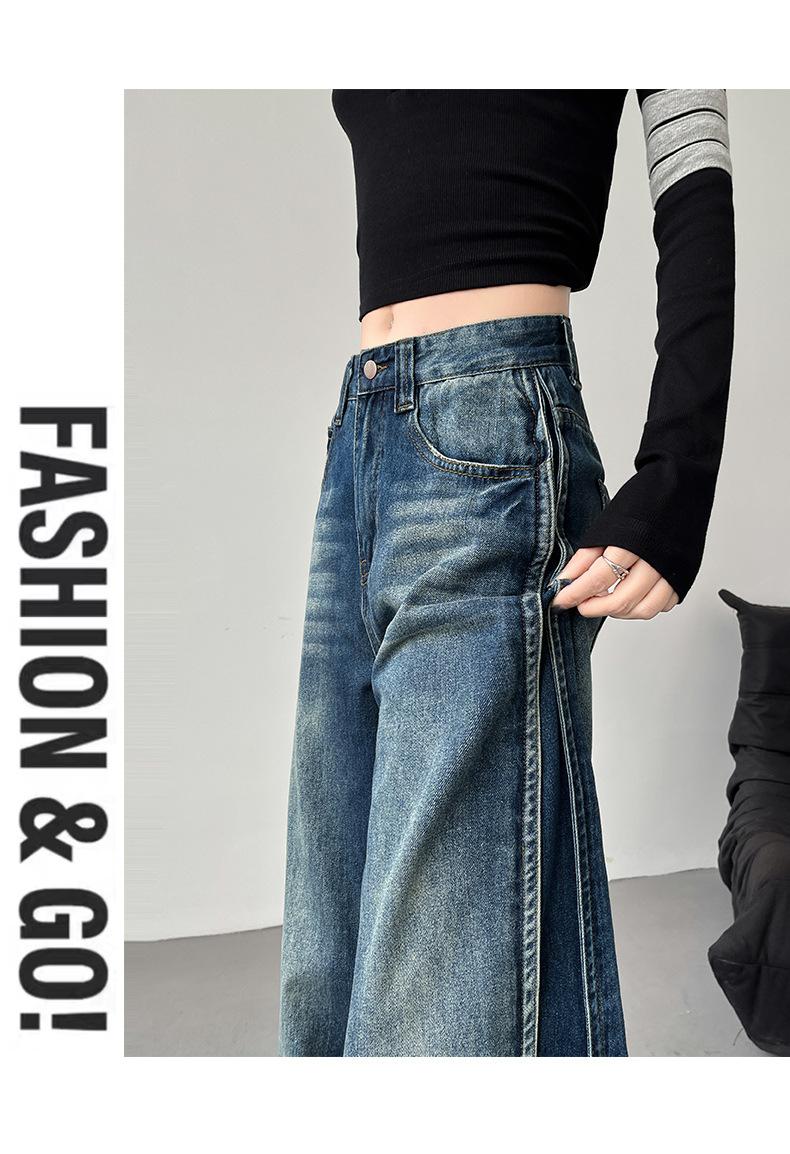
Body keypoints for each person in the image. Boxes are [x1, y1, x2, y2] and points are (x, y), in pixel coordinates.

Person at [278, 89, 735, 1056]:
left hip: (491, 426)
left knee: (439, 977)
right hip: (361, 428)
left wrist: (680, 474)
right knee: (329, 941)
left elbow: (695, 187)